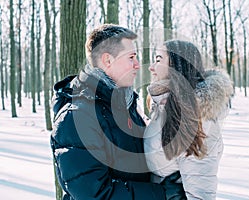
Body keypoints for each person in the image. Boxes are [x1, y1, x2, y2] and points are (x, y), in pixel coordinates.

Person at [50, 24, 185, 200]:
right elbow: (94, 194)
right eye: (131, 57)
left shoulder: (127, 106)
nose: (138, 64)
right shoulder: (76, 117)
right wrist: (162, 194)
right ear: (108, 60)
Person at [144, 40, 233, 200]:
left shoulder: (197, 117)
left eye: (158, 60)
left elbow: (200, 190)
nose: (151, 67)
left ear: (177, 65)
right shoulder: (166, 105)